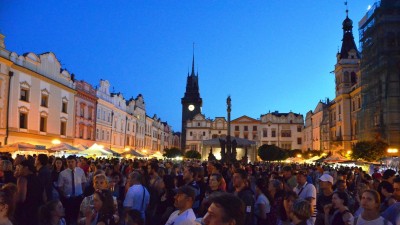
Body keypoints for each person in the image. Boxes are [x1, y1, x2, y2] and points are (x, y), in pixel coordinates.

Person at [58, 155, 87, 225]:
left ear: (76, 162)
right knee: (68, 216)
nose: (70, 163)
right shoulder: (63, 173)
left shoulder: (80, 171)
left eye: (72, 162)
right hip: (68, 198)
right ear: (66, 163)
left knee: (78, 215)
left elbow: (83, 182)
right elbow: (60, 186)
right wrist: (64, 195)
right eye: (69, 162)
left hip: (79, 197)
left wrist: (82, 192)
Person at [15, 159, 43, 225]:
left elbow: (21, 198)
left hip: (25, 210)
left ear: (26, 168)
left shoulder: (22, 179)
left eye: (20, 167)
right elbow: (44, 195)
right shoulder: (38, 178)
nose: (18, 169)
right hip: (37, 208)